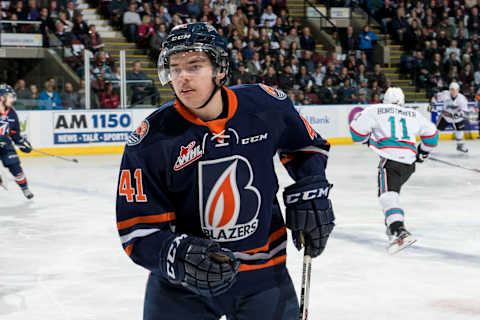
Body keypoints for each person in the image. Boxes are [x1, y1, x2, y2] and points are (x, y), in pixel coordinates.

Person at [116, 22, 335, 320]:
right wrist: (178, 255)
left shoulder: (265, 105)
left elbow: (306, 147)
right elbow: (138, 231)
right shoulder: (151, 139)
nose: (183, 77)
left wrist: (312, 189)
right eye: (175, 67)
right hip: (182, 287)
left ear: (219, 69)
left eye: (194, 65)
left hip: (263, 276)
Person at [349, 87, 439, 254]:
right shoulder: (413, 113)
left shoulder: (375, 109)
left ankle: (398, 230)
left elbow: (356, 134)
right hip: (409, 164)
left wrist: (368, 138)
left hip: (390, 160)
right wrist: (423, 152)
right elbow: (433, 136)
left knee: (387, 196)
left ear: (385, 99)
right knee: (392, 194)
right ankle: (392, 225)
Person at [0, 85, 34, 199]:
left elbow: (15, 134)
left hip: (5, 144)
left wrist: (23, 143)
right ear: (1, 98)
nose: (12, 99)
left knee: (15, 166)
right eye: (10, 97)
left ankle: (25, 188)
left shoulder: (12, 114)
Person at [430, 82, 469, 152]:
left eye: (456, 90)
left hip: (457, 119)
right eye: (452, 90)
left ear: (458, 90)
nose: (454, 92)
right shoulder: (445, 94)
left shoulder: (462, 99)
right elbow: (434, 98)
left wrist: (457, 115)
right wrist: (432, 105)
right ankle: (430, 144)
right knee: (437, 130)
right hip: (445, 117)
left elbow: (465, 111)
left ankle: (460, 145)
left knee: (460, 131)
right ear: (449, 90)